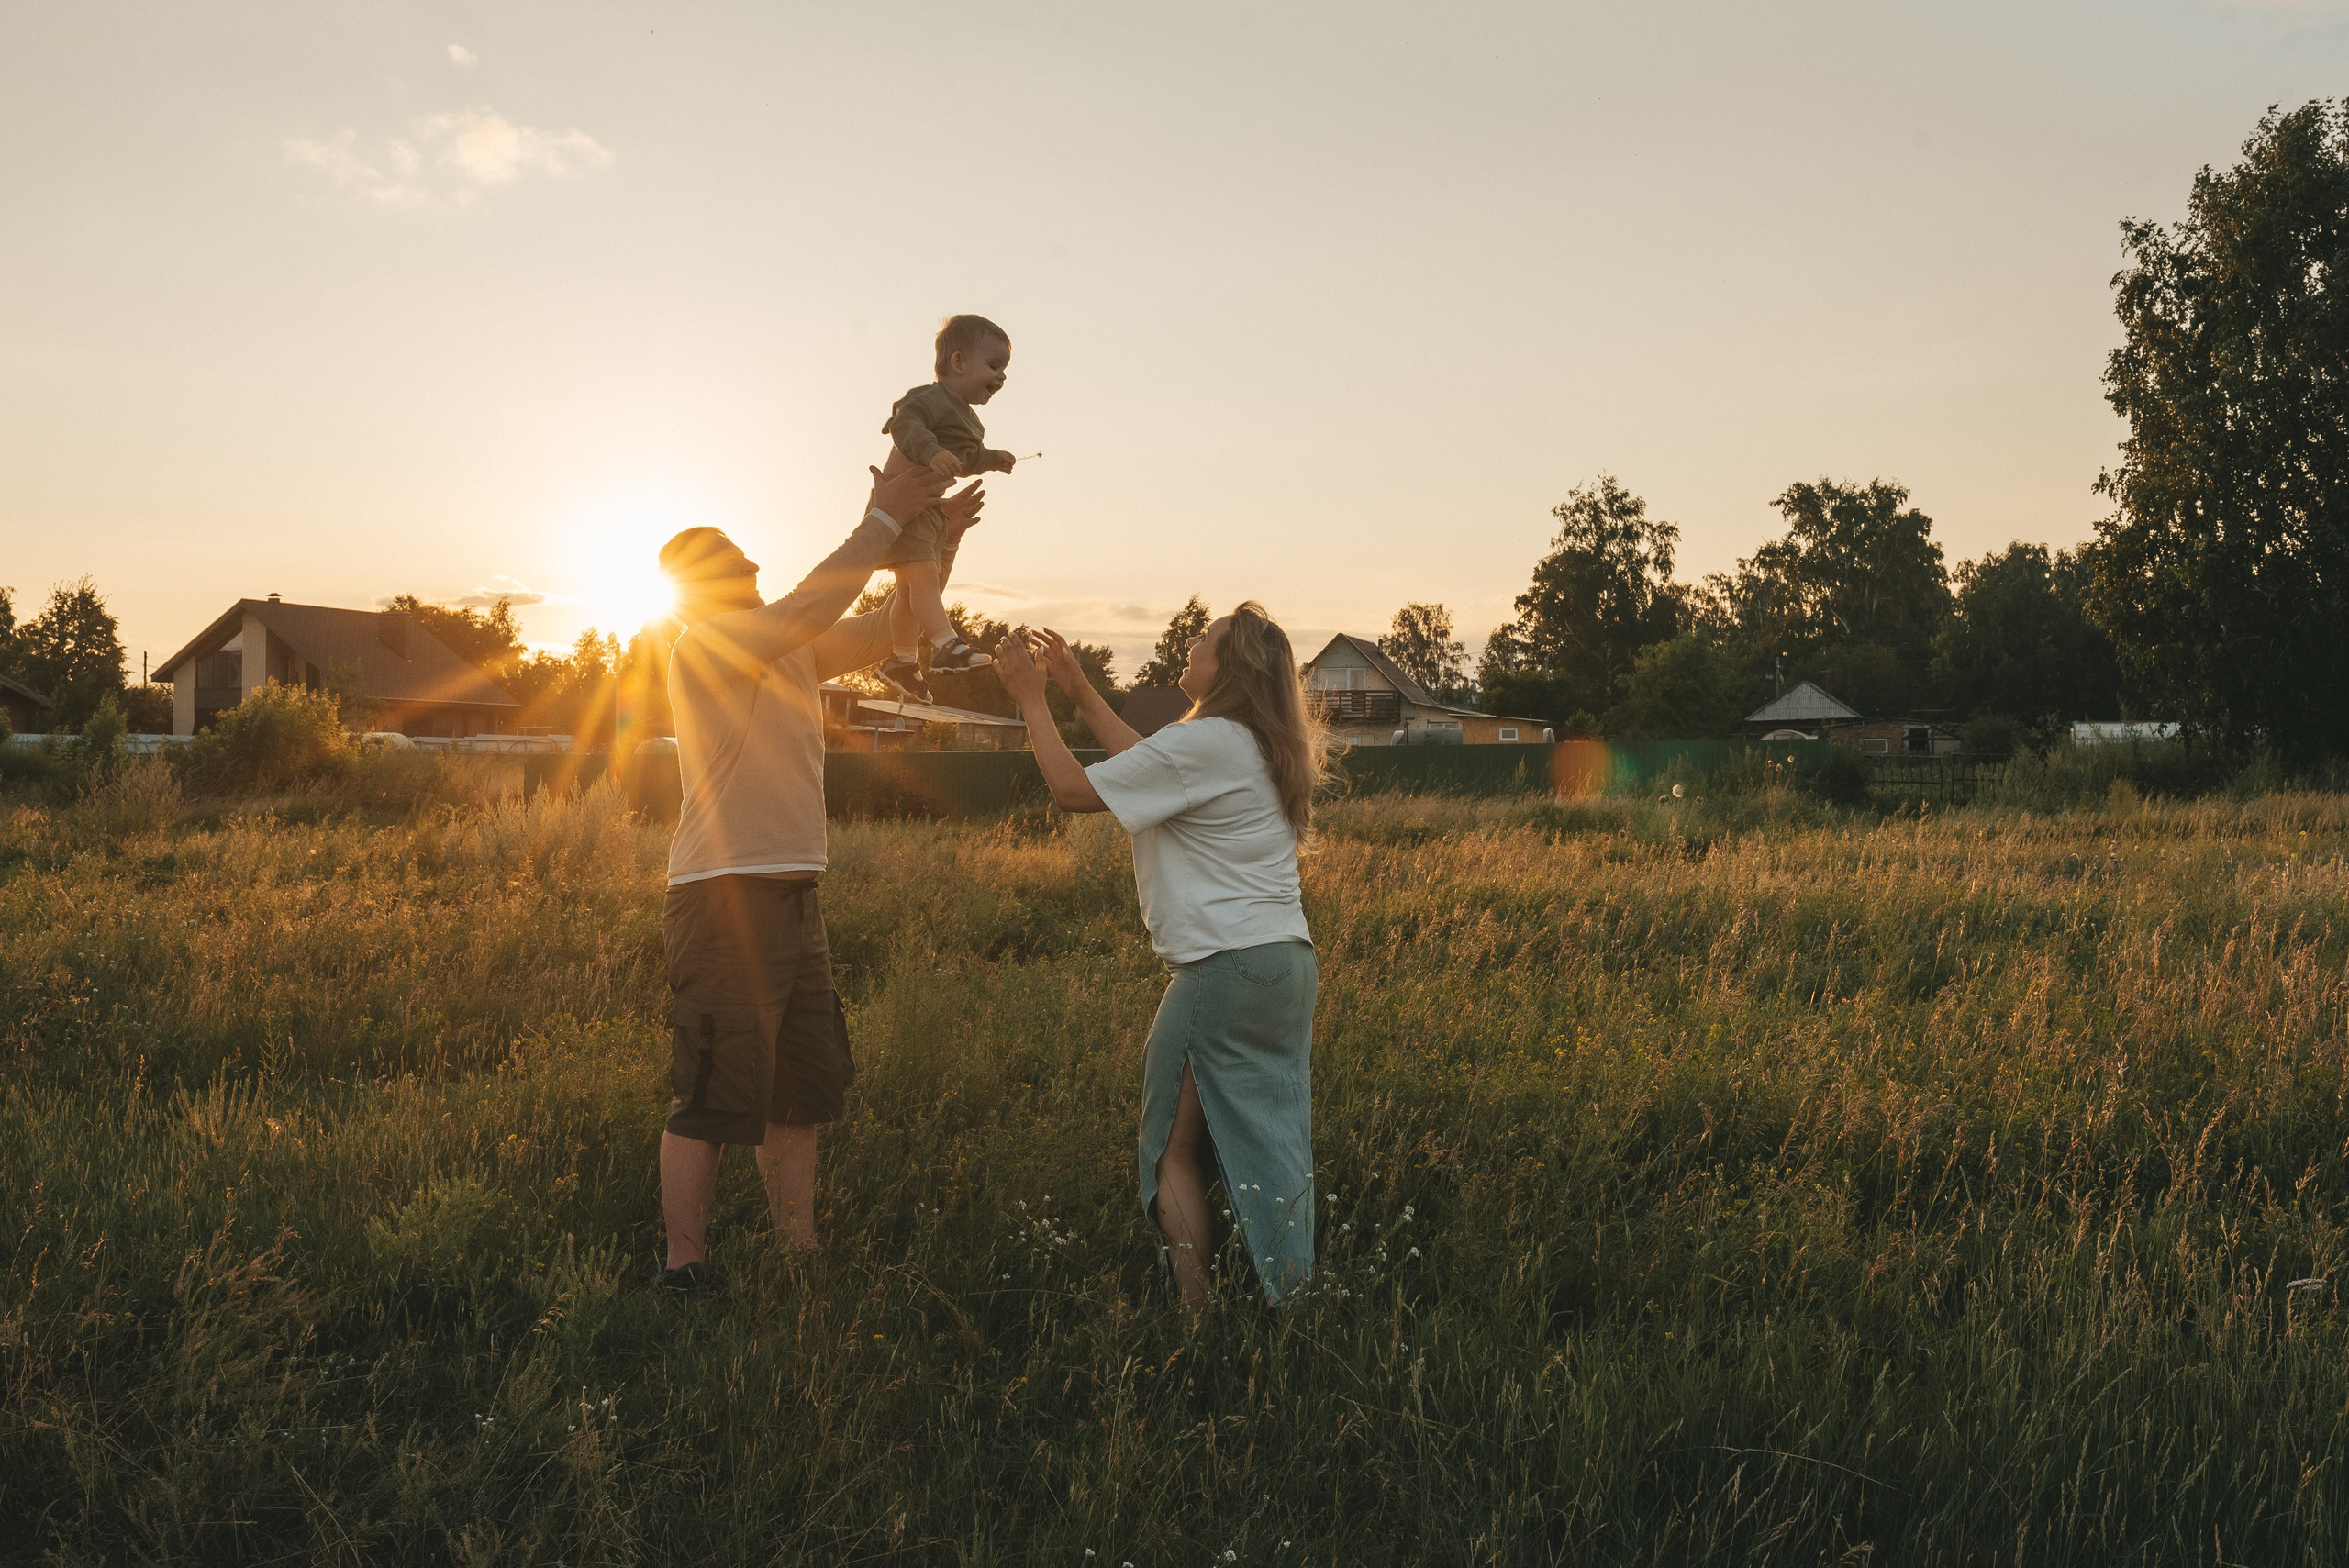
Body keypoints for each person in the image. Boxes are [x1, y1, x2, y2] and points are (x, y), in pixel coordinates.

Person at [651, 462, 984, 1295]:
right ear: (700, 589)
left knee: (797, 1090)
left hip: (797, 894)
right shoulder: (706, 645)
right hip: (722, 895)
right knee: (710, 1090)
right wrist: (882, 518)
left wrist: (935, 542)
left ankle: (798, 1252)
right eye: (735, 565)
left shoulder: (792, 643)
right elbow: (814, 603)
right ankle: (683, 1268)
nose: (753, 571)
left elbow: (885, 625)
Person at [994, 605, 1325, 1307]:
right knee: (1272, 1139)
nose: (1192, 642)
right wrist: (1081, 694)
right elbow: (1147, 766)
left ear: (1227, 668)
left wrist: (1030, 699)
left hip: (1223, 971)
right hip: (1287, 967)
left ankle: (1196, 1314)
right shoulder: (1248, 742)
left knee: (1168, 1146)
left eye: (1205, 640)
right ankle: (1291, 1297)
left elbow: (1071, 789)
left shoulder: (1207, 740)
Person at [872, 314, 1019, 702]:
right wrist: (932, 451)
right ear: (957, 362)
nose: (1001, 377)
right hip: (904, 503)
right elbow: (904, 425)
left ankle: (902, 660)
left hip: (929, 509)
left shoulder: (970, 421)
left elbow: (963, 459)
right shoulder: (930, 398)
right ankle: (946, 645)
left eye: (1004, 369)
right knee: (923, 578)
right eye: (993, 365)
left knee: (907, 590)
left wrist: (990, 459)